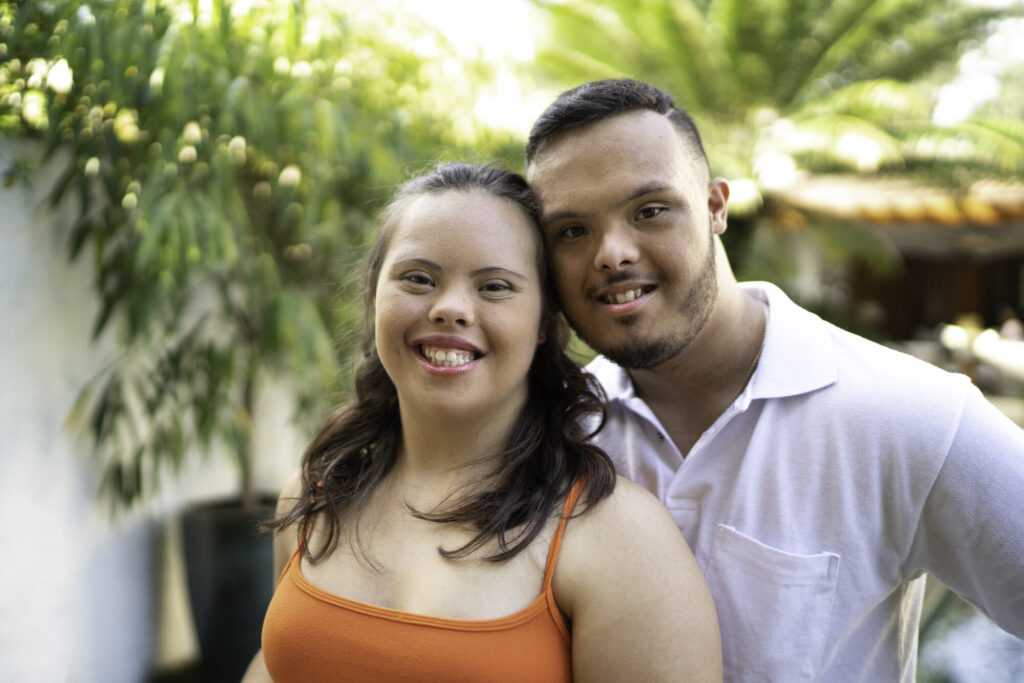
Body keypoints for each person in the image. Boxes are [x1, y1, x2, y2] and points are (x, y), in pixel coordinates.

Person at [524, 79, 1024, 682]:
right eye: (571, 231)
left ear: (715, 207)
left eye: (650, 210)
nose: (612, 252)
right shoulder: (551, 435)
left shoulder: (910, 414)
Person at [241, 162, 722, 682]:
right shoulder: (317, 492)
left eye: (494, 287)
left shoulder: (618, 539)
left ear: (544, 323)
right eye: (418, 279)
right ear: (374, 294)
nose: (450, 309)